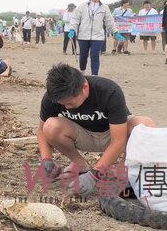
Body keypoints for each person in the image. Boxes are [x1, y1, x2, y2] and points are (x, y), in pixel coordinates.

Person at [37, 63, 156, 197]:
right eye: (62, 104)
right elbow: (41, 130)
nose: (66, 107)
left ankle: (122, 170)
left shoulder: (109, 90)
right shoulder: (53, 96)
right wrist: (46, 159)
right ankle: (80, 166)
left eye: (70, 102)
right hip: (82, 134)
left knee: (146, 124)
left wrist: (94, 175)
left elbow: (119, 140)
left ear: (85, 87)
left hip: (112, 135)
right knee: (50, 126)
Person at [68, 0, 122, 75]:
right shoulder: (82, 6)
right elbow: (75, 19)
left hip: (98, 36)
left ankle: (95, 76)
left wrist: (115, 31)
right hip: (83, 36)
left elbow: (109, 21)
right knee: (83, 56)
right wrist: (72, 29)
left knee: (94, 55)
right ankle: (82, 73)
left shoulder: (104, 7)